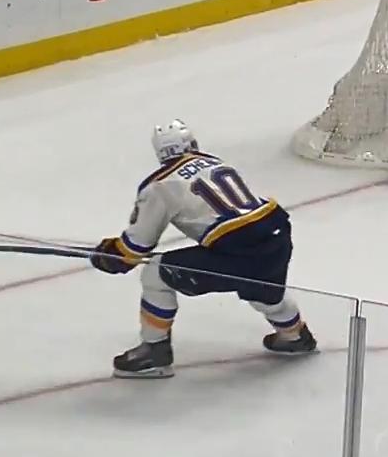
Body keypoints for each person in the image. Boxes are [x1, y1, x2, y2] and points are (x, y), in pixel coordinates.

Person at [91, 120, 316, 378]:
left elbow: (136, 247)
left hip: (239, 248)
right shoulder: (215, 162)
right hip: (276, 234)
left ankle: (154, 352)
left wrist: (112, 255)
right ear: (192, 143)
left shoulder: (160, 185)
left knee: (156, 273)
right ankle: (295, 336)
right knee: (262, 287)